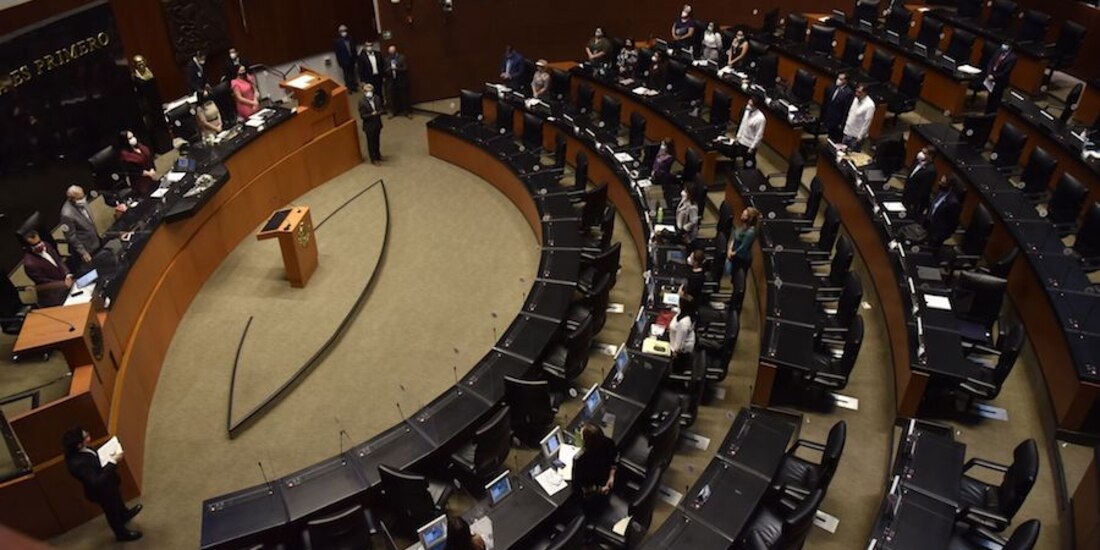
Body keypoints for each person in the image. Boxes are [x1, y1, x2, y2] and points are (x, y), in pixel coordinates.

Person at [62, 427, 142, 542]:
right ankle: (121, 534)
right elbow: (96, 482)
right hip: (102, 492)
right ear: (79, 445)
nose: (88, 434)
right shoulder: (77, 464)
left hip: (109, 483)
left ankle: (124, 514)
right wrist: (113, 461)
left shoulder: (82, 449)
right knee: (112, 512)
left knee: (117, 499)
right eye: (85, 436)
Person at [572, 423, 618, 518]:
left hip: (593, 496)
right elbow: (615, 458)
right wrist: (612, 476)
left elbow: (578, 487)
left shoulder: (580, 460)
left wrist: (600, 489)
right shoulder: (608, 442)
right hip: (607, 481)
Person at [21, 230, 71, 307]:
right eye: (35, 245)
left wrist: (67, 275)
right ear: (27, 248)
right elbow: (44, 282)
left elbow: (59, 260)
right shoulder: (30, 264)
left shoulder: (47, 245)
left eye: (39, 242)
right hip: (54, 295)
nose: (40, 245)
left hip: (67, 284)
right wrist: (63, 284)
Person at [59, 185, 101, 268]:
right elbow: (71, 237)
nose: (83, 199)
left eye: (83, 196)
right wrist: (83, 252)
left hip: (95, 240)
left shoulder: (81, 201)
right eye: (80, 198)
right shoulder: (66, 214)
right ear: (71, 199)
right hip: (87, 249)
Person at [924, 176, 962, 249]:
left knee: (930, 249)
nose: (939, 183)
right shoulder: (941, 192)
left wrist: (940, 236)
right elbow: (933, 206)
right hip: (929, 224)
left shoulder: (953, 203)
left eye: (942, 183)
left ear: (950, 187)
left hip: (937, 233)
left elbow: (952, 224)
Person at [902, 146, 937, 221]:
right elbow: (911, 175)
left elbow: (924, 190)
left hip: (914, 200)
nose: (920, 154)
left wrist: (914, 203)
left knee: (908, 218)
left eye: (924, 153)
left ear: (931, 156)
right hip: (907, 192)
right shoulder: (917, 160)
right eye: (921, 151)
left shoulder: (931, 171)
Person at [117, 130, 157, 196]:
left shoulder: (140, 146)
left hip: (151, 177)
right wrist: (149, 173)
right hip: (140, 182)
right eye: (130, 138)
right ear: (125, 141)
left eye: (133, 136)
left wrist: (152, 169)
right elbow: (134, 170)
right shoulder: (125, 155)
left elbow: (149, 158)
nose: (133, 139)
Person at [982, 42, 1017, 114]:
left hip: (1000, 81)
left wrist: (994, 77)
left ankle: (992, 114)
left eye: (1006, 45)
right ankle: (986, 112)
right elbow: (991, 63)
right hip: (991, 77)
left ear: (1010, 47)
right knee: (990, 96)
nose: (1003, 46)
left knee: (996, 99)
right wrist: (989, 73)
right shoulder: (998, 51)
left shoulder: (1013, 57)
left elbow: (1006, 72)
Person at [726, 206, 759, 280]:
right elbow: (735, 237)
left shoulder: (750, 232)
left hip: (741, 259)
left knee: (737, 278)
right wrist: (730, 249)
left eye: (744, 215)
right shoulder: (744, 226)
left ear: (749, 219)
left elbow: (743, 247)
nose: (741, 215)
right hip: (733, 254)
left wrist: (732, 253)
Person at [733, 95, 766, 168]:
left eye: (750, 105)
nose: (748, 106)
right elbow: (743, 123)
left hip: (749, 145)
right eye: (748, 103)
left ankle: (750, 171)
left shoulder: (761, 119)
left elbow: (759, 135)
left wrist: (752, 147)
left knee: (749, 163)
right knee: (741, 157)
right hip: (742, 140)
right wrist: (738, 136)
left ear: (756, 107)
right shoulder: (747, 111)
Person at [821, 72, 854, 142]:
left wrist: (841, 123)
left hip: (836, 120)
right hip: (828, 115)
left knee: (833, 138)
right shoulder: (832, 86)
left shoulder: (848, 93)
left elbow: (845, 110)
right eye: (838, 78)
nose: (838, 80)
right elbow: (826, 101)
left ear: (845, 81)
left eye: (841, 79)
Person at [842, 84, 875, 151]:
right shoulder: (856, 99)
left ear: (865, 93)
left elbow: (867, 122)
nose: (856, 94)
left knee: (852, 155)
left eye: (859, 92)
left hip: (856, 137)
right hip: (847, 131)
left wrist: (860, 137)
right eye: (856, 91)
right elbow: (851, 113)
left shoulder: (870, 105)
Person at [358, 83, 384, 165]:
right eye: (367, 91)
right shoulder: (362, 102)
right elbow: (363, 116)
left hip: (377, 124)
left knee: (377, 141)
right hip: (369, 126)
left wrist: (378, 113)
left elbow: (381, 109)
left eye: (370, 91)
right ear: (364, 92)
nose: (369, 92)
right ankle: (373, 159)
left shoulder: (377, 98)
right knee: (371, 143)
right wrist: (372, 114)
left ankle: (378, 155)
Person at [385, 44, 411, 118]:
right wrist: (389, 70)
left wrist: (397, 69)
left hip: (400, 80)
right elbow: (385, 70)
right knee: (392, 97)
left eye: (392, 53)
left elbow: (405, 68)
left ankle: (406, 111)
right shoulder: (387, 59)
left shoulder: (402, 57)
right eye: (390, 53)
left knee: (403, 97)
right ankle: (393, 111)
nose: (391, 54)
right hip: (391, 81)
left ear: (395, 51)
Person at [652, 139, 676, 209]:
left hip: (663, 177)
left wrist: (655, 172)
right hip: (656, 174)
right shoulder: (661, 152)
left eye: (664, 145)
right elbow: (655, 162)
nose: (662, 146)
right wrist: (653, 171)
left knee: (659, 194)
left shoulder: (670, 158)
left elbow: (661, 167)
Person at [333, 25, 358, 90]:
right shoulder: (337, 41)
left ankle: (354, 87)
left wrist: (356, 59)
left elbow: (354, 49)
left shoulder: (351, 39)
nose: (343, 32)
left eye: (344, 30)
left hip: (352, 60)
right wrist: (340, 63)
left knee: (353, 74)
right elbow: (337, 54)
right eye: (342, 31)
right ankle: (348, 88)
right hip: (344, 62)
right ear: (339, 32)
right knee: (346, 76)